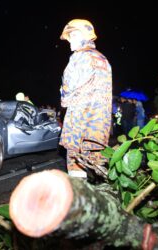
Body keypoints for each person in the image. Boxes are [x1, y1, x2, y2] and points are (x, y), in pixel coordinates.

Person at [59, 19, 112, 179]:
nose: (70, 40)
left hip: (78, 125)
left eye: (74, 35)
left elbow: (67, 94)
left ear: (85, 36)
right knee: (98, 164)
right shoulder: (103, 59)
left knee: (76, 165)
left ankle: (80, 198)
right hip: (98, 126)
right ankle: (110, 197)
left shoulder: (78, 57)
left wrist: (63, 94)